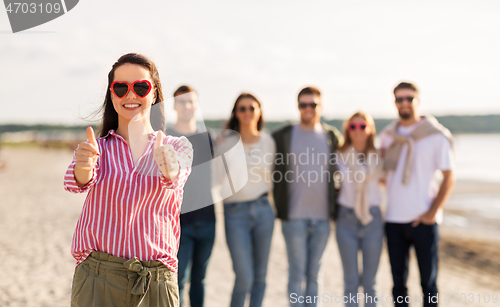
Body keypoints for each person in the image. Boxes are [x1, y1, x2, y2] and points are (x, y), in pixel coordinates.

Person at [64, 53, 193, 307]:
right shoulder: (96, 148)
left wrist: (168, 167)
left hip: (156, 282)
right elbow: (77, 182)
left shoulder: (177, 146)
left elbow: (175, 178)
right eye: (121, 88)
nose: (130, 95)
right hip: (97, 278)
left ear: (154, 94)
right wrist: (84, 167)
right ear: (112, 95)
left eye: (141, 87)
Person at [380, 82, 455, 307]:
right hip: (393, 219)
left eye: (409, 99)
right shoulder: (387, 136)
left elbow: (449, 177)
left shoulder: (435, 136)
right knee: (398, 285)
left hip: (424, 220)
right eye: (399, 99)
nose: (404, 103)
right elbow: (383, 176)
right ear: (394, 103)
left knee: (429, 284)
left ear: (418, 101)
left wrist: (431, 213)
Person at [272, 86, 343, 307]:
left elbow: (346, 169)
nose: (308, 109)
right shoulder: (283, 135)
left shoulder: (331, 137)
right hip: (293, 218)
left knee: (315, 275)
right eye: (303, 104)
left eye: (313, 104)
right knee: (296, 274)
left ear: (321, 106)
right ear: (298, 107)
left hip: (323, 219)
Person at [214, 93, 276, 307]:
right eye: (242, 108)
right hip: (234, 213)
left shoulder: (269, 142)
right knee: (244, 277)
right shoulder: (225, 143)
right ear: (236, 113)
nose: (248, 112)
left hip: (264, 211)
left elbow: (275, 177)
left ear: (259, 111)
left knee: (260, 278)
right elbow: (214, 177)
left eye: (252, 108)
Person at [166, 85, 216, 307]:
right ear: (174, 105)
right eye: (182, 101)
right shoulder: (166, 137)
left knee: (200, 280)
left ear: (197, 105)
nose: (187, 106)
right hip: (178, 223)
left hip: (208, 220)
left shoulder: (208, 137)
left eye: (191, 101)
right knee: (178, 280)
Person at [336, 112, 384, 307]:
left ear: (370, 129)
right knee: (351, 282)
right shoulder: (339, 155)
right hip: (346, 218)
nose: (358, 130)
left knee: (371, 283)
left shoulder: (380, 155)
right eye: (352, 127)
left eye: (362, 126)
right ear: (347, 130)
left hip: (373, 219)